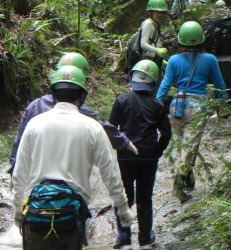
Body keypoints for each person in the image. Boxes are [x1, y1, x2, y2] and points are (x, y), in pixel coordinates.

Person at [12, 65, 133, 250]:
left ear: (53, 94)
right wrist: (123, 209)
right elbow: (111, 174)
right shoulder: (92, 128)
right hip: (71, 213)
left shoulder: (35, 124)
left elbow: (20, 174)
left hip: (36, 211)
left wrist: (18, 211)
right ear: (82, 96)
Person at [8, 52, 138, 175]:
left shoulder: (35, 105)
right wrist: (124, 142)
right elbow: (102, 129)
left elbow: (20, 141)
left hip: (36, 174)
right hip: (67, 175)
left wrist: (14, 169)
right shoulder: (80, 111)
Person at [156, 21, 226, 202]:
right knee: (189, 146)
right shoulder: (209, 59)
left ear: (181, 41)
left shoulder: (173, 60)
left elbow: (164, 86)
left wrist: (154, 105)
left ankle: (189, 179)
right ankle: (178, 185)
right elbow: (220, 85)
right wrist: (224, 105)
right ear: (202, 40)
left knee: (183, 144)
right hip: (197, 108)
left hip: (176, 107)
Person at [109, 60, 172, 250]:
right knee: (145, 197)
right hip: (148, 158)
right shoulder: (158, 105)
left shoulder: (121, 100)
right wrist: (157, 150)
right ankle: (145, 239)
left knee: (125, 197)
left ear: (132, 79)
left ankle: (124, 241)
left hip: (126, 157)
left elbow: (111, 129)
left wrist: (119, 148)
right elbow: (166, 133)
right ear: (153, 83)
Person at [140, 0, 169, 69]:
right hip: (146, 61)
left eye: (162, 12)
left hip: (153, 59)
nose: (160, 15)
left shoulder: (155, 24)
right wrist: (157, 51)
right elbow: (143, 44)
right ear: (151, 12)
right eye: (157, 12)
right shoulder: (148, 23)